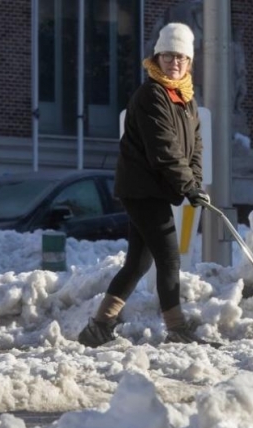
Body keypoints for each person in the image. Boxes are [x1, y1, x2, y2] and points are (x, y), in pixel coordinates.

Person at [78, 22, 217, 348]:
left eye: (181, 57)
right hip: (142, 188)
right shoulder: (152, 94)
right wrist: (187, 186)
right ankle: (177, 328)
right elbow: (164, 149)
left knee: (138, 262)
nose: (174, 63)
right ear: (158, 57)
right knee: (169, 258)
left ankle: (99, 327)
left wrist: (194, 182)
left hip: (156, 188)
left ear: (189, 62)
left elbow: (195, 148)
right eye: (168, 55)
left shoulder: (186, 99)